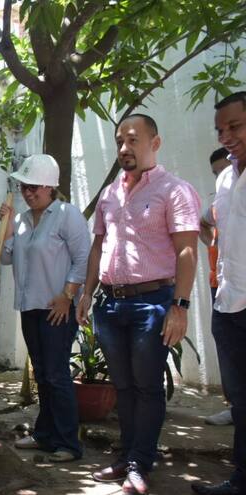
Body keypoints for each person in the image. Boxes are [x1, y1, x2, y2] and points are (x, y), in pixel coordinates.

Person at [76, 114, 200, 495]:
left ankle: (140, 464)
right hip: (111, 306)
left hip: (153, 303)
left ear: (154, 143)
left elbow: (187, 250)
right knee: (124, 386)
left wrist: (179, 306)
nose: (124, 148)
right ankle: (127, 455)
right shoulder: (110, 195)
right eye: (119, 142)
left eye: (132, 140)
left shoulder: (174, 190)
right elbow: (99, 246)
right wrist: (86, 291)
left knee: (147, 387)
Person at [0, 154, 90, 463]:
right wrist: (6, 226)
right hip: (29, 306)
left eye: (34, 187)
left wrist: (68, 295)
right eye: (24, 187)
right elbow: (6, 258)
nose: (28, 193)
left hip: (56, 308)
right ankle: (45, 434)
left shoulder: (67, 215)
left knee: (56, 374)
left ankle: (68, 443)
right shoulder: (22, 220)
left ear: (51, 187)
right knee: (43, 375)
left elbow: (84, 259)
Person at [193, 91, 246, 495]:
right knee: (241, 404)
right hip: (228, 303)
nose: (226, 135)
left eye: (235, 126)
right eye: (220, 129)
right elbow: (222, 238)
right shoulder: (226, 179)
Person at [200, 147, 234, 427]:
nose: (221, 176)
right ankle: (234, 406)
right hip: (219, 285)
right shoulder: (218, 204)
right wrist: (214, 243)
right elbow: (201, 223)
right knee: (227, 347)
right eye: (216, 173)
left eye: (225, 169)